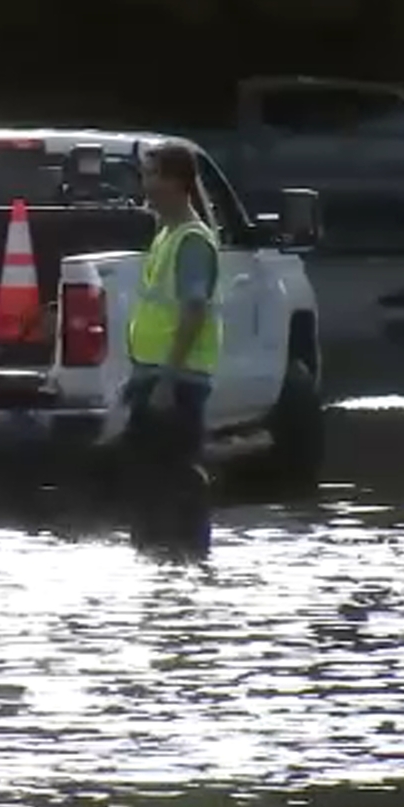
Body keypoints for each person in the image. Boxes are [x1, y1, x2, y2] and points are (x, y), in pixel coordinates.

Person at [122, 142, 222, 556]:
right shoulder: (166, 235)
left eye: (153, 175)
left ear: (178, 183)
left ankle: (185, 559)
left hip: (176, 382)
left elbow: (193, 310)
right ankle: (157, 557)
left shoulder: (191, 241)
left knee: (176, 478)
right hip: (157, 378)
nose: (146, 185)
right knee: (149, 478)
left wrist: (165, 379)